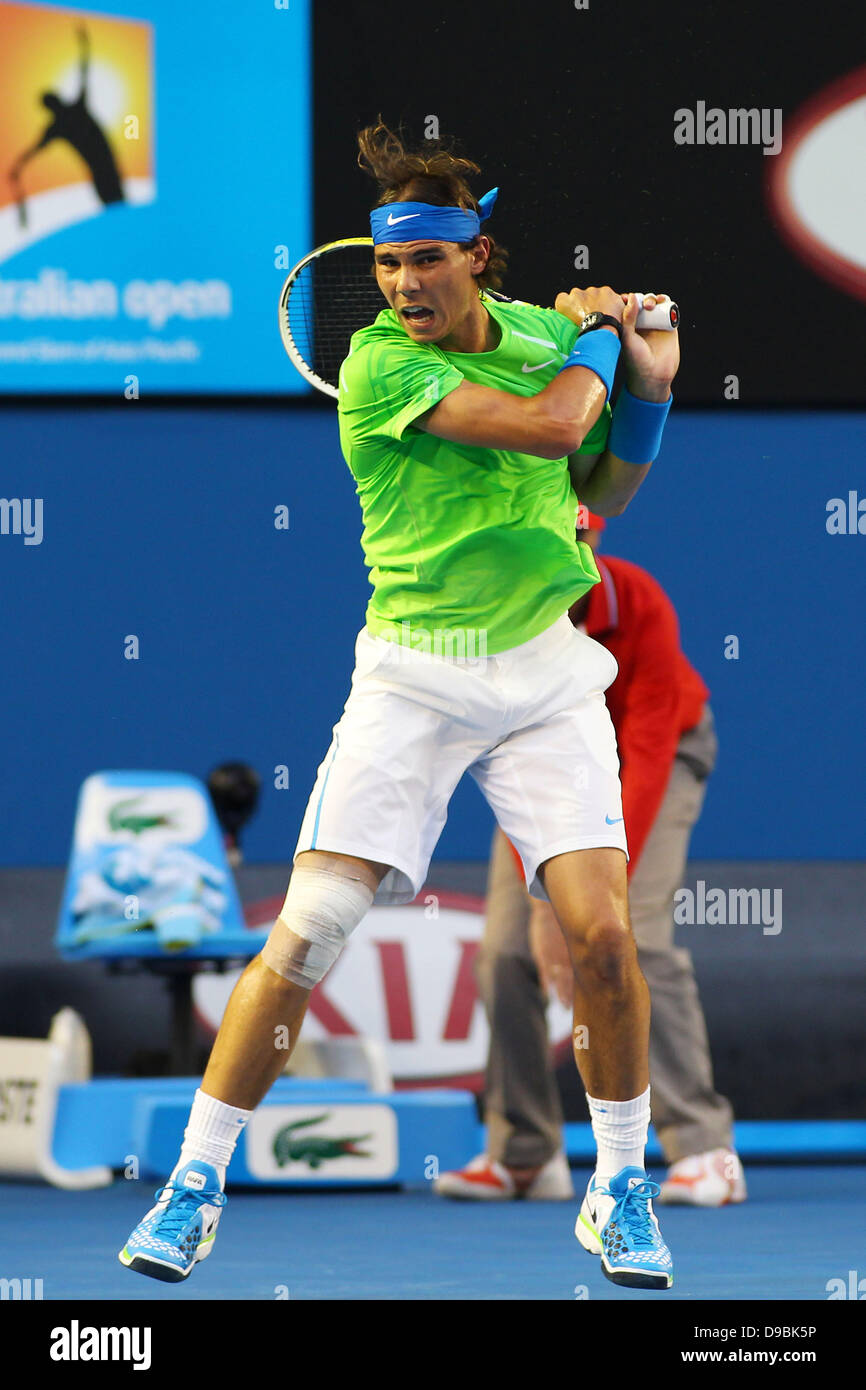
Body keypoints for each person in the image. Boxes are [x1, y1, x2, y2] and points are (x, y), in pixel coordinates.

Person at [120, 120, 680, 1291]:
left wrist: (651, 391)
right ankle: (194, 1183)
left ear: (477, 255)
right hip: (414, 676)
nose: (401, 285)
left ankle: (619, 1186)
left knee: (603, 945)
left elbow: (600, 478)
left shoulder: (536, 336)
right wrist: (595, 347)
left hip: (540, 673)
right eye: (384, 265)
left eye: (425, 260)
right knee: (310, 931)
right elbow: (547, 423)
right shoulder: (379, 367)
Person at [434, 512, 746, 1208]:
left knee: (634, 937)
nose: (571, 555)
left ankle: (705, 1151)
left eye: (585, 543)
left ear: (597, 544)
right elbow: (499, 749)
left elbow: (649, 746)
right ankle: (522, 1153)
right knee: (506, 954)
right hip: (543, 771)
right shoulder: (499, 613)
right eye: (554, 541)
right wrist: (542, 901)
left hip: (652, 764)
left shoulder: (638, 602)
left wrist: (589, 901)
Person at [8, 25, 125, 211]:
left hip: (106, 166)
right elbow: (34, 150)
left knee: (117, 206)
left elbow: (84, 71)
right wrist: (18, 167)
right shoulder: (63, 121)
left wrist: (84, 44)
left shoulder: (69, 116)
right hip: (102, 169)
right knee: (115, 206)